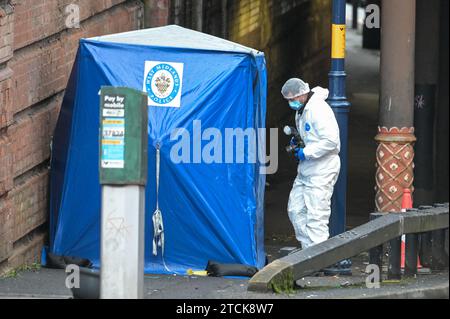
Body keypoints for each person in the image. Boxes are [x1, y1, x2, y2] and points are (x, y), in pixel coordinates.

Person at [281, 78, 341, 250]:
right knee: (296, 210)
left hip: (323, 168)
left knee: (316, 215)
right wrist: (298, 142)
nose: (291, 103)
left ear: (301, 94)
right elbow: (310, 136)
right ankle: (308, 252)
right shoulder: (302, 110)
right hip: (307, 168)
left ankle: (317, 258)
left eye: (292, 99)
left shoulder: (318, 110)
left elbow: (331, 141)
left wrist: (306, 152)